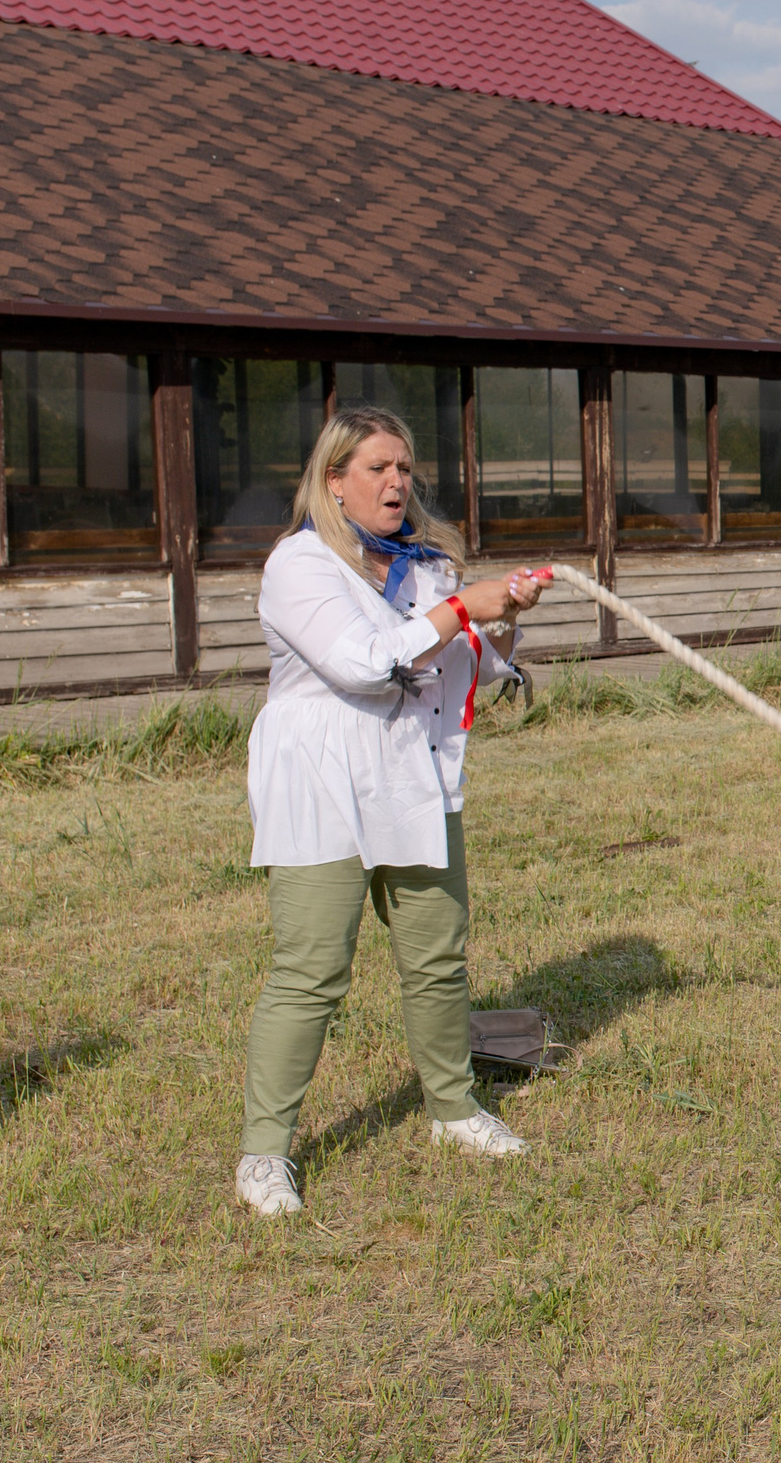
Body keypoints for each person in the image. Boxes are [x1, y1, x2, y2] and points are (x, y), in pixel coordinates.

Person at [235, 408, 549, 1217]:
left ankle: (454, 1109)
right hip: (320, 781)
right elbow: (362, 663)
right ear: (333, 480)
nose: (396, 482)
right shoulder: (298, 566)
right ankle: (266, 1153)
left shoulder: (426, 566)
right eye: (376, 467)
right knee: (311, 970)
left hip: (413, 774)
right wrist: (464, 606)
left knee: (437, 957)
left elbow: (460, 673)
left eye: (404, 467)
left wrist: (499, 620)